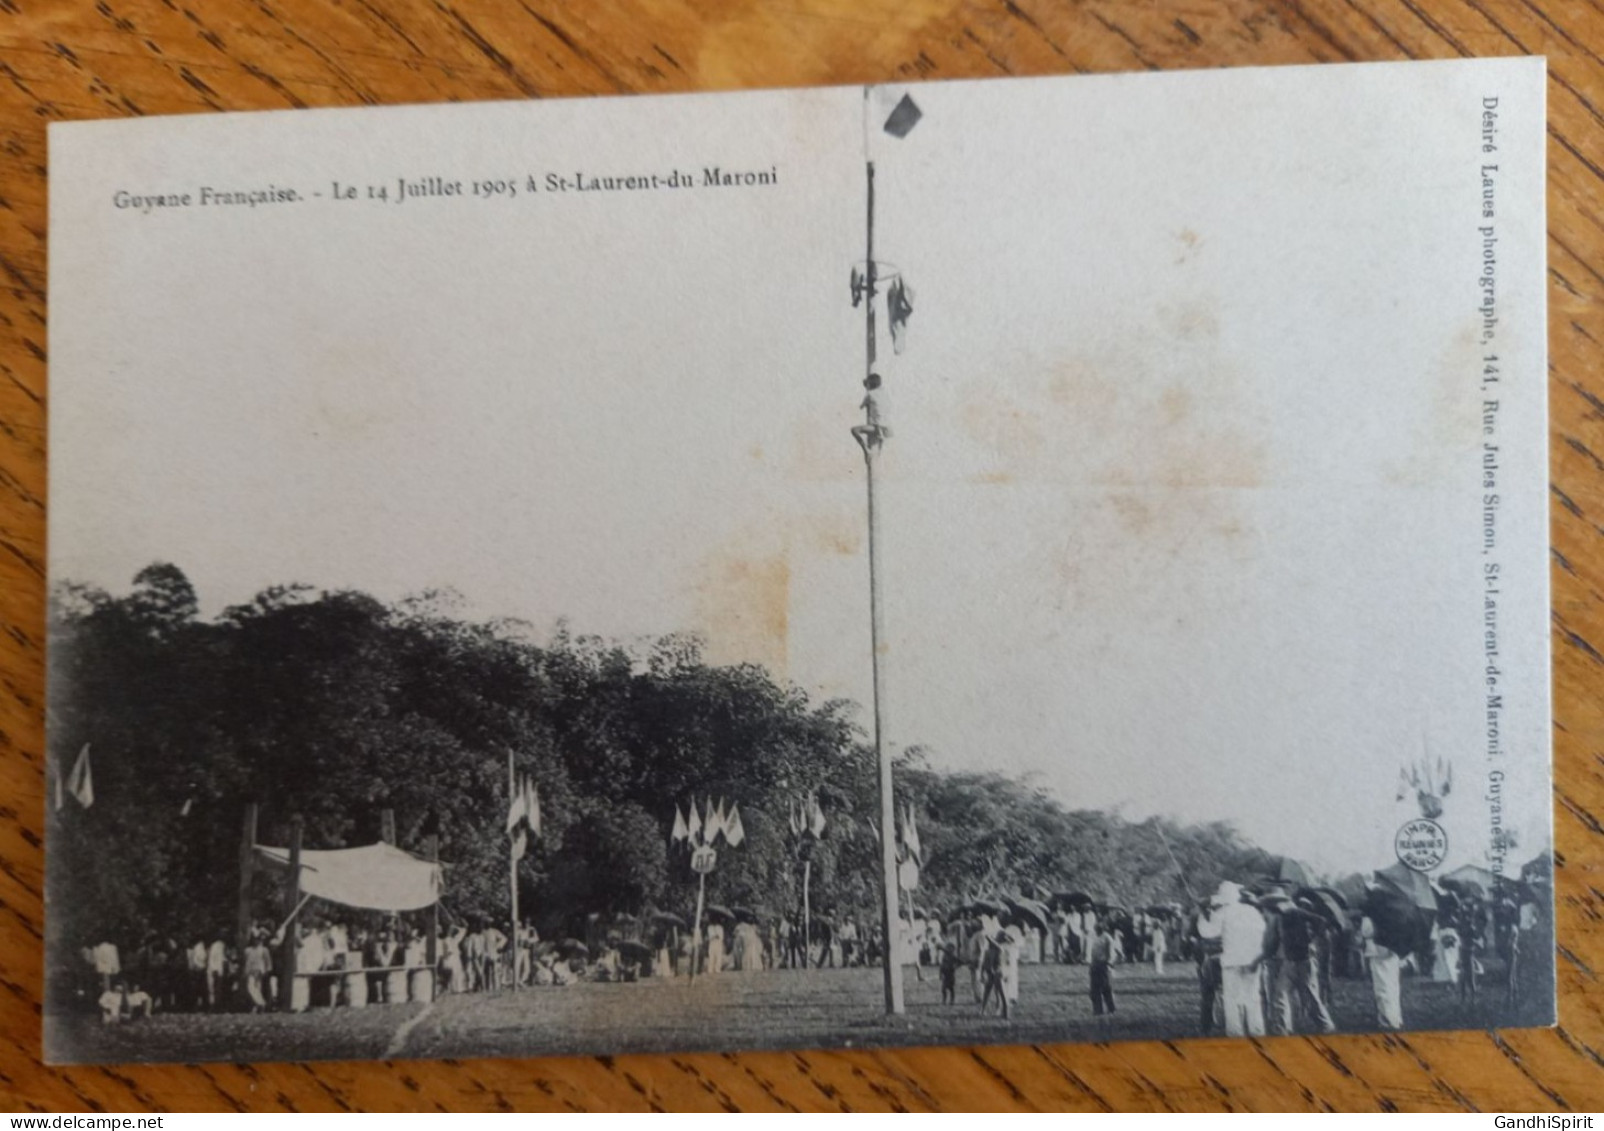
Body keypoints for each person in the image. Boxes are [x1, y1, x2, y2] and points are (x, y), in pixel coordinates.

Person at [1197, 881, 1268, 1036]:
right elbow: (1263, 930)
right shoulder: (1251, 910)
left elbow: (1207, 932)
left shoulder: (1222, 912)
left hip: (1232, 961)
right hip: (1252, 959)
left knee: (1232, 1000)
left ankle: (1236, 1034)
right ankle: (1257, 1031)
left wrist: (1203, 914)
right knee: (1253, 998)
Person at [1264, 896, 1335, 1034]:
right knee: (1280, 994)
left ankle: (1326, 1025)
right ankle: (1282, 1028)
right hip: (1289, 962)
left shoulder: (1296, 913)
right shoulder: (1281, 918)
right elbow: (1277, 939)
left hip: (1304, 961)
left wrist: (1312, 939)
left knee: (1310, 996)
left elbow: (1321, 921)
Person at [1088, 921, 1117, 1016]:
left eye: (1098, 928)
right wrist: (1091, 964)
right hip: (1095, 965)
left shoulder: (1107, 938)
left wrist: (1109, 963)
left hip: (1104, 965)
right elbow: (1091, 951)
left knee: (1106, 988)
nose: (1096, 930)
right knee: (1094, 989)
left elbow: (1111, 953)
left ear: (1103, 928)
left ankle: (1111, 1008)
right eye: (1096, 928)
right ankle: (1097, 1010)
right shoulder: (1094, 937)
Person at [244, 930, 273, 1012]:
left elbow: (268, 962)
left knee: (257, 988)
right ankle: (260, 1003)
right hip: (250, 971)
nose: (256, 941)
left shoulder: (264, 950)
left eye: (258, 939)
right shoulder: (248, 950)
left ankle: (258, 1006)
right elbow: (247, 962)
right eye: (255, 939)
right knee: (251, 988)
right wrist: (246, 971)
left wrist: (266, 971)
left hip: (259, 971)